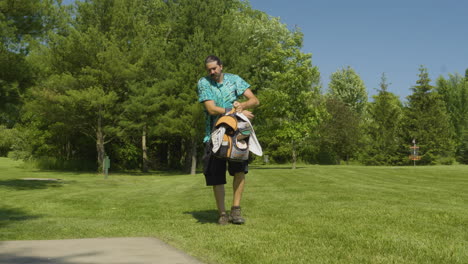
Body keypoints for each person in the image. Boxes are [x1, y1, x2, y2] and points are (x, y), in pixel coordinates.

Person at [197, 55, 259, 225]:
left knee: (239, 172)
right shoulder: (204, 83)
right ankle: (222, 214)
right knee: (216, 176)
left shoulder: (234, 80)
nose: (212, 72)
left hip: (236, 134)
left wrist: (242, 106)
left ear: (221, 67)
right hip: (214, 135)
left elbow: (254, 100)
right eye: (209, 69)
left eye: (214, 68)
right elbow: (211, 109)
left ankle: (236, 210)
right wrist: (234, 111)